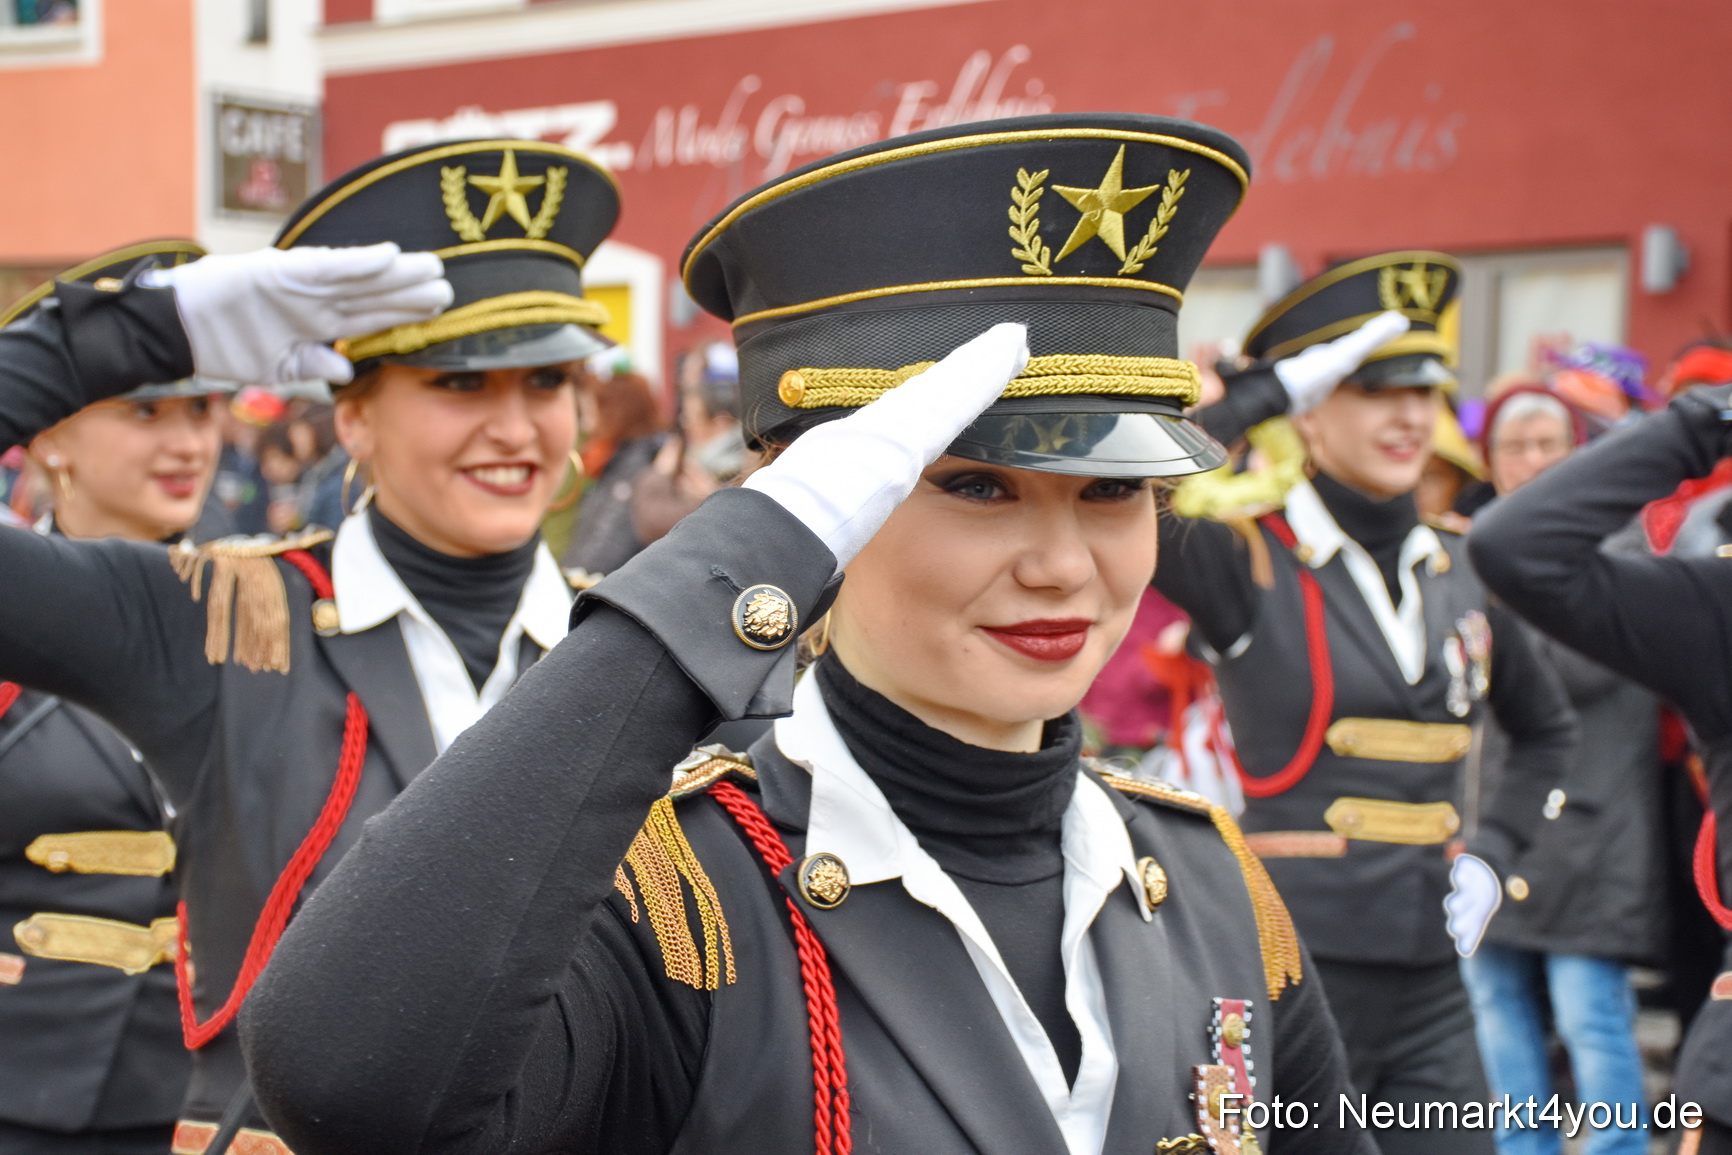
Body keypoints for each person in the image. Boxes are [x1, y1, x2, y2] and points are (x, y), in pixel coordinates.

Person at [243, 112, 1371, 1155]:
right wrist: (747, 557)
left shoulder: (1210, 882)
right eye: (979, 488)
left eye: (1109, 493)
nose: (1062, 565)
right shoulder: (674, 907)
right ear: (823, 502)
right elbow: (348, 1082)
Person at [0, 136, 625, 1150]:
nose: (515, 428)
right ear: (354, 413)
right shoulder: (211, 619)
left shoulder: (639, 650)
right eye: (458, 384)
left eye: (547, 382)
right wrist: (120, 340)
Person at [1154, 252, 1576, 1155]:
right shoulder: (1247, 557)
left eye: (1426, 392)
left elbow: (1548, 733)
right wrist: (1255, 397)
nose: (1411, 416)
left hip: (1432, 976)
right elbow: (1131, 501)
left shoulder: (1467, 564)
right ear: (1313, 404)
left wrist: (1494, 856)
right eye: (1373, 389)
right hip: (1292, 968)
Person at [1470, 379, 1732, 1155]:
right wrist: (1706, 416)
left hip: (1595, 838)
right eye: (1513, 447)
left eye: (1549, 445)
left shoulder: (1625, 549)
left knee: (1590, 1021)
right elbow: (1514, 547)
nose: (1531, 460)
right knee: (1504, 1018)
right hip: (1517, 831)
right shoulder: (1715, 603)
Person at [0, 240, 219, 1155]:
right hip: (24, 1087)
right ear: (48, 433)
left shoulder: (282, 612)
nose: (186, 442)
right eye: (144, 408)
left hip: (223, 1096)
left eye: (202, 408)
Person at [559, 367, 668, 574]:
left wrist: (570, 577)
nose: (588, 419)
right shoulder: (617, 456)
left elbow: (609, 540)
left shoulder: (634, 464)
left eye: (594, 407)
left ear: (616, 411)